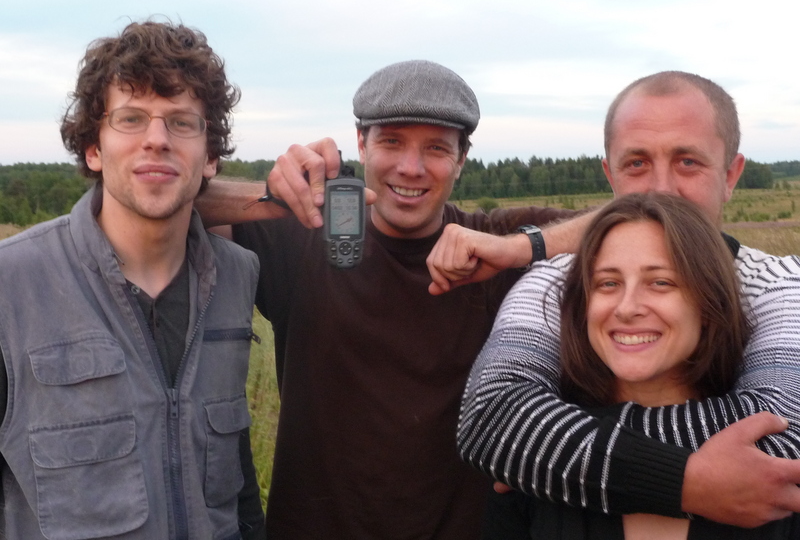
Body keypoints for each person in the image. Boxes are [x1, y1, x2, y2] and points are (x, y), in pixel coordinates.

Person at [195, 60, 585, 539]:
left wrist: (520, 249)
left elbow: (644, 221)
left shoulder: (492, 243)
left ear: (463, 158)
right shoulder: (306, 238)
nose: (411, 167)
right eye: (392, 141)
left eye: (437, 148)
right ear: (361, 144)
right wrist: (275, 196)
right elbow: (157, 198)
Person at [431, 71, 800, 528]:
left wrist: (544, 452)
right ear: (610, 173)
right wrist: (686, 480)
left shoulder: (779, 282)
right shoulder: (556, 280)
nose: (661, 188)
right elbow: (492, 414)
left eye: (688, 162)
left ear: (731, 175)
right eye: (637, 164)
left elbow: (782, 439)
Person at [0, 21, 265, 539]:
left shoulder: (236, 278)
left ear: (210, 156)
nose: (157, 140)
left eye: (182, 123)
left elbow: (237, 490)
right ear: (93, 149)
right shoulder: (11, 286)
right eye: (131, 118)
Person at [484, 192, 800, 539]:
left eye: (660, 282)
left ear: (709, 307)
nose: (626, 307)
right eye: (608, 283)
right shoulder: (532, 464)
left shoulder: (776, 473)